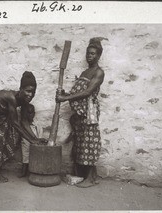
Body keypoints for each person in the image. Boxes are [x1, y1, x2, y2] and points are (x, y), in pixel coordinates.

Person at [56, 37, 105, 188]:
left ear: (98, 56)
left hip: (89, 113)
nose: (89, 56)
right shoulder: (85, 71)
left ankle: (90, 178)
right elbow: (77, 90)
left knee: (90, 143)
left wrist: (65, 98)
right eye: (88, 53)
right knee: (81, 144)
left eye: (92, 54)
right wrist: (65, 93)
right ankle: (86, 175)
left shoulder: (98, 72)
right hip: (79, 115)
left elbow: (88, 92)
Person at [18, 103, 43, 178]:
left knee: (36, 155)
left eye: (31, 113)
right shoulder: (22, 124)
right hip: (26, 142)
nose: (30, 115)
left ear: (34, 113)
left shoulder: (36, 125)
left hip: (35, 142)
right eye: (27, 113)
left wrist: (39, 139)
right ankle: (24, 171)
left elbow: (40, 133)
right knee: (25, 155)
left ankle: (35, 170)